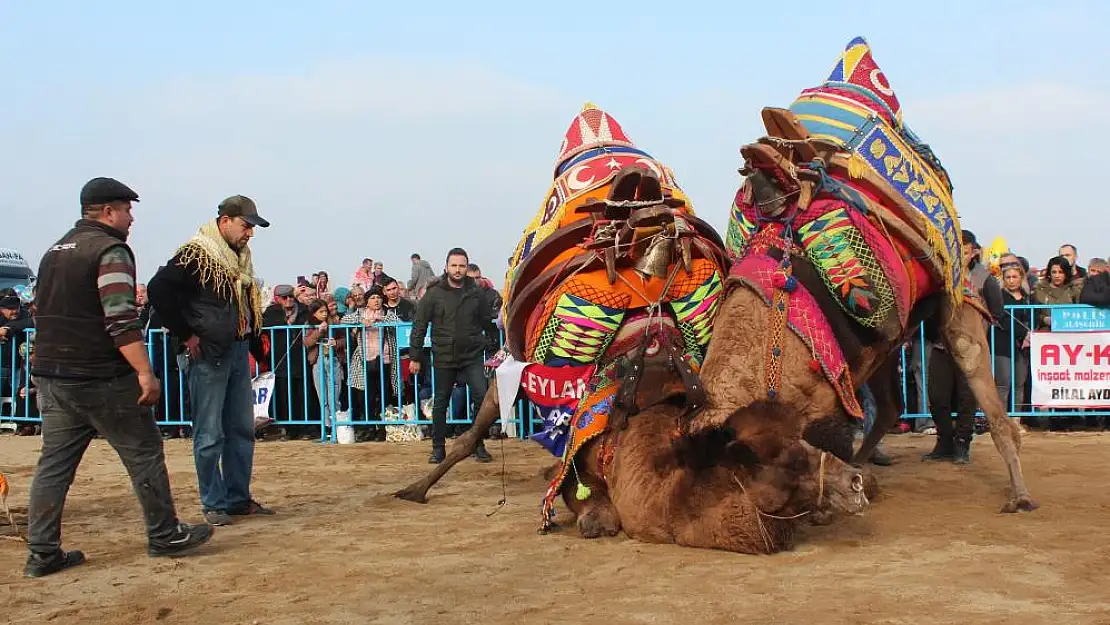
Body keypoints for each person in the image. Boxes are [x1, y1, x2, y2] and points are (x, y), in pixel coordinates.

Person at [23, 177, 212, 578]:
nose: (132, 218)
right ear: (108, 212)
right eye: (128, 209)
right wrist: (145, 371)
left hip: (53, 374)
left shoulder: (53, 252)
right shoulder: (110, 251)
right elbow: (121, 320)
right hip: (100, 374)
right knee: (143, 452)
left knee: (54, 465)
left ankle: (42, 552)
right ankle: (164, 534)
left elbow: (43, 312)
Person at [147, 195, 274, 526]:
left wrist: (256, 349)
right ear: (226, 221)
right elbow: (157, 290)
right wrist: (186, 333)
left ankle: (237, 498)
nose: (250, 234)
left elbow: (245, 307)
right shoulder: (196, 254)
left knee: (241, 429)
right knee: (210, 432)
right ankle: (214, 501)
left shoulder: (239, 259)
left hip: (234, 349)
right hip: (207, 353)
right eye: (246, 226)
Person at [409, 248, 497, 464]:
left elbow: (487, 322)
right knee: (441, 402)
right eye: (454, 265)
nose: (458, 270)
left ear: (467, 268)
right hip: (444, 356)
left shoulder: (476, 293)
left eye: (462, 266)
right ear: (447, 266)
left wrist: (493, 347)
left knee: (481, 397)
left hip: (472, 355)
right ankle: (438, 448)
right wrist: (415, 356)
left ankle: (477, 444)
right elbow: (419, 326)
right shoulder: (434, 293)